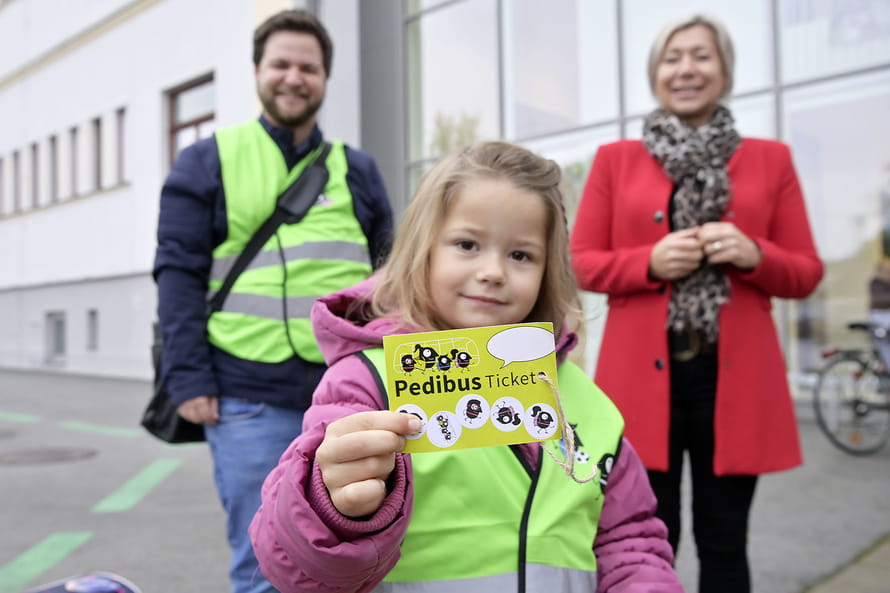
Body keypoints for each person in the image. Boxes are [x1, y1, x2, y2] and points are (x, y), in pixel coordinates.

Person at [248, 141, 683, 592]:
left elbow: (629, 540)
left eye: (521, 255)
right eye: (467, 244)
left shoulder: (581, 397)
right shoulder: (365, 383)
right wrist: (333, 506)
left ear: (547, 271)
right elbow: (292, 566)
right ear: (424, 250)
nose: (493, 271)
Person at [568, 13, 823, 593]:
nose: (686, 68)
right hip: (640, 382)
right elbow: (581, 260)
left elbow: (805, 271)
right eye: (672, 56)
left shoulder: (771, 159)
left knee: (725, 541)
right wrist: (647, 263)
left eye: (702, 55)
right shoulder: (615, 159)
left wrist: (756, 253)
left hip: (735, 381)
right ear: (655, 73)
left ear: (725, 70)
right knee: (644, 540)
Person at [153, 9, 393, 593]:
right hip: (245, 397)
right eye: (280, 64)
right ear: (258, 71)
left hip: (348, 390)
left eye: (307, 67)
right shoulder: (207, 160)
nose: (294, 77)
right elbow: (178, 274)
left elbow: (391, 279)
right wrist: (188, 380)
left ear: (325, 78)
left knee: (363, 548)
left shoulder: (357, 171)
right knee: (263, 559)